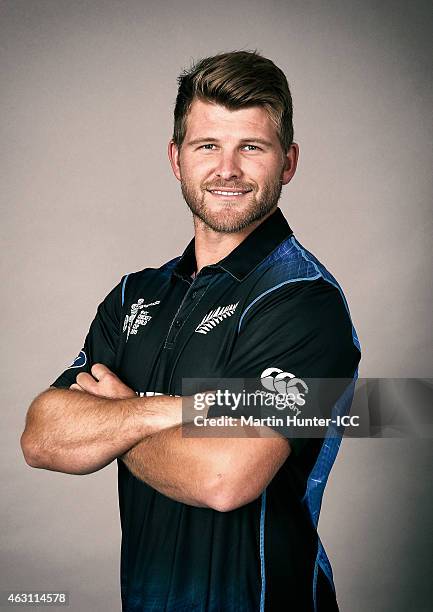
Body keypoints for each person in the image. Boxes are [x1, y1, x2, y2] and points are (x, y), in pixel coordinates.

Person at [21, 50, 361, 611]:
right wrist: (178, 410)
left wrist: (117, 415)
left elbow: (224, 479)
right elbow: (43, 438)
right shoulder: (135, 295)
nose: (227, 169)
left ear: (289, 162)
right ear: (176, 159)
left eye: (251, 147)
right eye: (208, 146)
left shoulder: (304, 301)